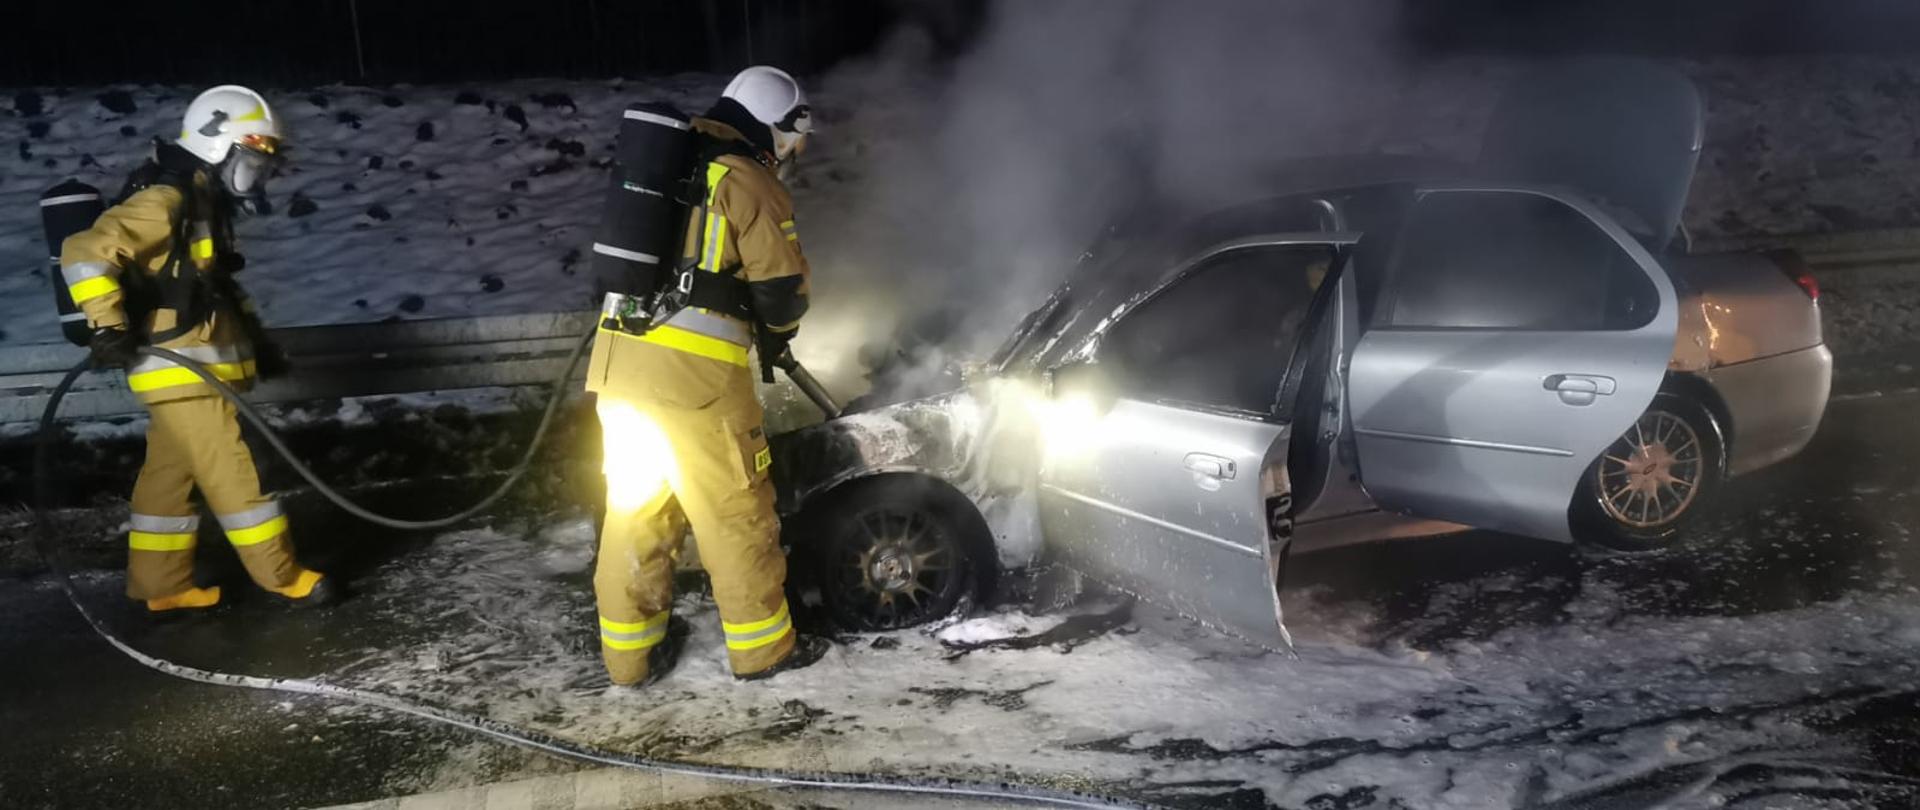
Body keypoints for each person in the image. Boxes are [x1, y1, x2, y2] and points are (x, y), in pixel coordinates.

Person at [586, 66, 828, 686]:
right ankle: (763, 651)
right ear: (777, 126)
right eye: (792, 139)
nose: (792, 154)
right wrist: (779, 335)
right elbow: (782, 291)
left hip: (618, 370)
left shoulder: (671, 164)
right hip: (693, 384)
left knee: (636, 509)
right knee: (736, 511)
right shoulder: (747, 178)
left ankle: (629, 659)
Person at [60, 85, 334, 615]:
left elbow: (209, 291)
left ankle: (162, 586)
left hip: (185, 367)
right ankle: (284, 578)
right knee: (234, 475)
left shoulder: (201, 198)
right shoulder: (168, 199)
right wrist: (107, 325)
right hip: (179, 368)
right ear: (218, 145)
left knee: (168, 479)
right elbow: (85, 250)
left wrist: (254, 347)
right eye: (251, 161)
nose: (255, 175)